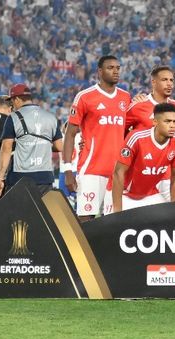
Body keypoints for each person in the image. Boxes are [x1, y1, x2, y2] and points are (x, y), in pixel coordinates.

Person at [62, 55, 131, 221]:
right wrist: (68, 170)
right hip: (91, 169)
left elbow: (129, 131)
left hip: (118, 171)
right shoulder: (85, 96)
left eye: (118, 68)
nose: (115, 71)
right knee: (86, 220)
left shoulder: (125, 97)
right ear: (100, 71)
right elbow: (70, 134)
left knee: (115, 222)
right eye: (110, 68)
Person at [111, 103, 175, 212]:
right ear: (155, 122)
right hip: (124, 194)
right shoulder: (137, 138)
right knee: (118, 223)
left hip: (149, 194)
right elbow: (118, 173)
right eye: (167, 121)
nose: (172, 125)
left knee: (169, 220)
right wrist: (117, 211)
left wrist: (174, 207)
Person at [0, 84, 63, 198]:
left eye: (12, 101)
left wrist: (0, 178)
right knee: (40, 209)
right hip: (45, 177)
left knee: (18, 209)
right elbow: (59, 146)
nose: (12, 105)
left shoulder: (13, 118)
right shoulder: (50, 116)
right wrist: (41, 145)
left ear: (17, 99)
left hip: (20, 176)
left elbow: (6, 149)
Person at [125, 66, 175, 134]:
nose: (169, 84)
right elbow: (119, 130)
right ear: (153, 82)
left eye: (171, 80)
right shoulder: (138, 105)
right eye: (164, 80)